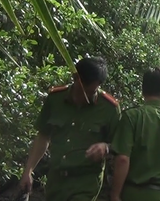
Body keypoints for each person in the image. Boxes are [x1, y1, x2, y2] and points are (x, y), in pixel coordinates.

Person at [20, 57, 121, 201]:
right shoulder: (55, 99)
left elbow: (119, 145)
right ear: (75, 78)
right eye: (83, 89)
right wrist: (28, 170)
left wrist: (106, 147)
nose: (87, 96)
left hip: (85, 182)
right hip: (56, 180)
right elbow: (43, 136)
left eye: (92, 91)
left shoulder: (109, 108)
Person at [109, 67, 160, 201]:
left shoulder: (131, 117)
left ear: (143, 91)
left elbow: (123, 159)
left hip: (131, 194)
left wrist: (115, 194)